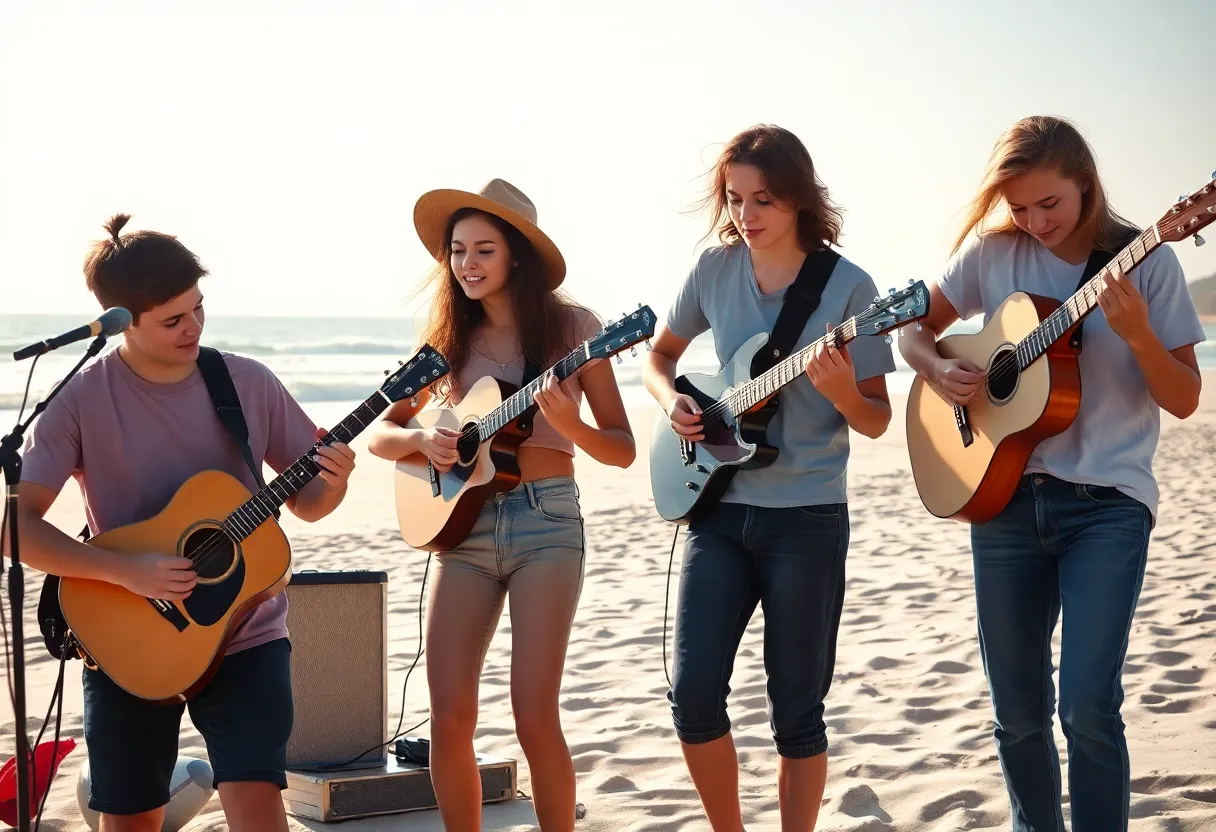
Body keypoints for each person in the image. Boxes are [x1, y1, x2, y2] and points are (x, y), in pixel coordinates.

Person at [898, 115, 1205, 832]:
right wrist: (939, 367)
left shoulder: (1146, 262)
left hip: (1107, 504)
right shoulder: (992, 254)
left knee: (1088, 707)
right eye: (1019, 207)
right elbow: (911, 331)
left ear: (1086, 187)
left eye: (1050, 205)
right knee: (1018, 715)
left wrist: (1135, 334)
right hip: (1001, 500)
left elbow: (1186, 398)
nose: (1034, 222)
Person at [11, 214, 356, 832]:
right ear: (122, 322)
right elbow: (15, 528)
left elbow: (307, 505)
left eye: (199, 309)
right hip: (126, 634)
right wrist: (126, 572)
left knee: (256, 803)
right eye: (173, 319)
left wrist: (334, 479)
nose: (193, 327)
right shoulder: (81, 398)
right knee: (130, 817)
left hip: (246, 631)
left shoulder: (246, 381)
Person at [642, 124, 896, 831]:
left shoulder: (852, 289)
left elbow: (875, 420)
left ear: (799, 201)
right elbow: (658, 360)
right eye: (735, 199)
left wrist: (842, 390)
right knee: (693, 696)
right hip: (718, 511)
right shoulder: (714, 271)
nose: (746, 216)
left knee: (797, 712)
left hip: (806, 518)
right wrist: (677, 404)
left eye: (764, 200)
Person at [366, 179, 634, 832]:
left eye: (484, 249)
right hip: (462, 530)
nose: (468, 264)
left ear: (517, 255)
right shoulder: (448, 338)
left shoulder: (575, 330)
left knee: (533, 712)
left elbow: (622, 448)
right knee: (450, 714)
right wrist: (423, 439)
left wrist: (570, 428)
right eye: (458, 251)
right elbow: (380, 434)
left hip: (547, 523)